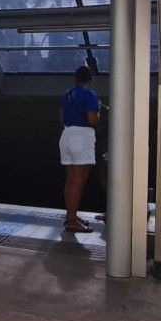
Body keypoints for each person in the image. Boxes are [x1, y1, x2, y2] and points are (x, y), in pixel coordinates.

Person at [59, 65, 101, 233]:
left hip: (66, 135)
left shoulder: (66, 95)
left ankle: (71, 215)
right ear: (90, 79)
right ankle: (71, 221)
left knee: (70, 181)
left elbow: (61, 118)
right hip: (82, 137)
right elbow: (92, 120)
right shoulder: (89, 94)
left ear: (75, 79)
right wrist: (98, 112)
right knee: (79, 181)